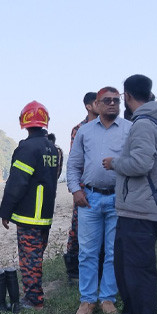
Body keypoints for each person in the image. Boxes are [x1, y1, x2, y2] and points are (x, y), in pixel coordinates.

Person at [99, 74, 157, 314]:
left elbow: (141, 163)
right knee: (124, 269)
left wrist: (114, 162)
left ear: (127, 96)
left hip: (142, 209)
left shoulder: (143, 123)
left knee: (139, 273)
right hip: (132, 208)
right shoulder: (153, 120)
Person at [67, 87, 129, 314]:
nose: (112, 104)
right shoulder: (84, 131)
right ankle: (87, 300)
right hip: (89, 199)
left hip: (118, 198)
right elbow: (73, 165)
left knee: (114, 251)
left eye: (116, 100)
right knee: (87, 252)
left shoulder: (129, 129)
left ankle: (107, 298)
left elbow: (134, 162)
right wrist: (75, 190)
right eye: (107, 101)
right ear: (97, 104)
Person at [0, 101, 60, 309]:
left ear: (22, 121)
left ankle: (34, 299)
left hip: (28, 215)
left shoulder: (26, 148)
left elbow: (17, 182)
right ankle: (34, 296)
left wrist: (5, 211)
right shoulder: (52, 148)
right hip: (45, 214)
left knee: (29, 259)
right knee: (37, 256)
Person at [64, 92, 98, 284]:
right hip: (84, 188)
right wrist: (76, 188)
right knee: (77, 229)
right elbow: (75, 161)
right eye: (97, 102)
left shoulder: (109, 126)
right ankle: (73, 272)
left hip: (103, 187)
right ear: (88, 106)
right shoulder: (79, 129)